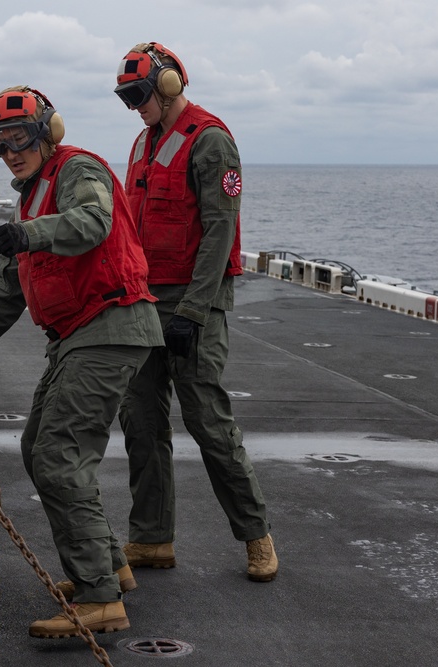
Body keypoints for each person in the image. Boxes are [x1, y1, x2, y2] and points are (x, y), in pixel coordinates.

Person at [0, 86, 164, 637]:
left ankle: (98, 598)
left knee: (59, 456)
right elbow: (7, 295)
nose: (11, 152)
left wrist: (26, 233)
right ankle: (108, 566)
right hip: (77, 335)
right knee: (40, 449)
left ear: (48, 133)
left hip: (110, 327)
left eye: (20, 138)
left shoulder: (78, 170)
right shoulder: (31, 196)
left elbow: (92, 223)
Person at [113, 43, 279, 582]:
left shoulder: (210, 141)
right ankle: (152, 538)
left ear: (167, 86)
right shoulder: (144, 141)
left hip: (192, 302)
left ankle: (257, 536)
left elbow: (218, 231)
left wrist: (193, 310)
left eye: (139, 96)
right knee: (140, 418)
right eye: (128, 98)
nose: (135, 107)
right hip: (144, 301)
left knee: (207, 419)